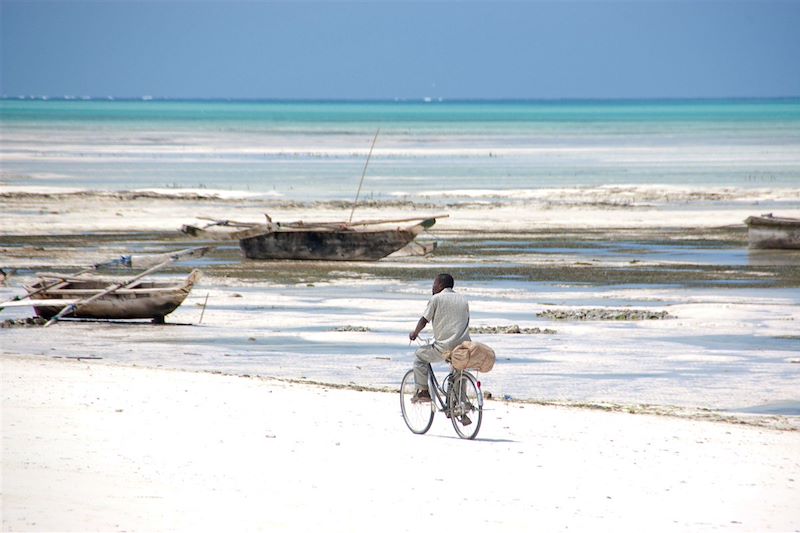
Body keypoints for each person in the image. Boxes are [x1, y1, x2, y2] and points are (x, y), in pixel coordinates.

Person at [408, 273, 471, 403]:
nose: (432, 287)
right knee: (459, 371)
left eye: (434, 284)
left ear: (440, 285)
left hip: (444, 347)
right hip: (464, 346)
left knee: (419, 356)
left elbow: (424, 320)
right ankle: (460, 404)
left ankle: (423, 391)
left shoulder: (436, 299)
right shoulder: (463, 299)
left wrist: (415, 333)